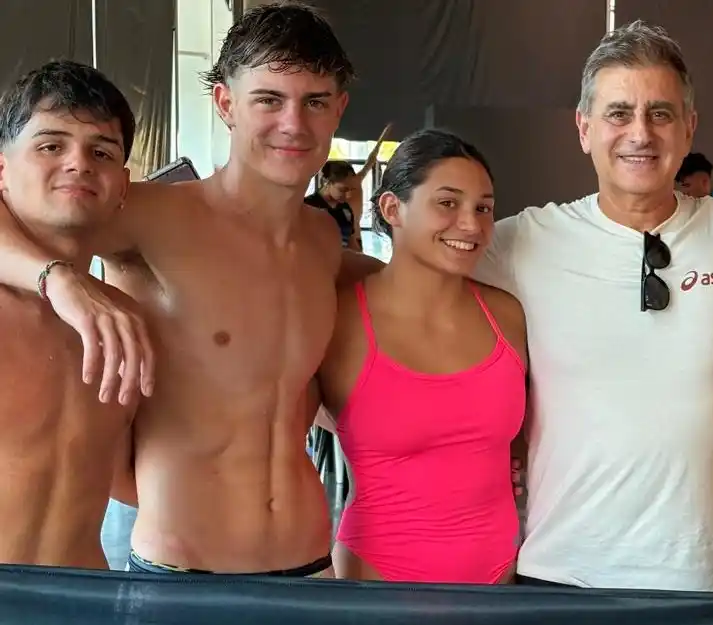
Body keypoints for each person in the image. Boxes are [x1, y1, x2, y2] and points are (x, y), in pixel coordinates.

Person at [0, 2, 372, 577]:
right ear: (225, 103)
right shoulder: (147, 214)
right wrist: (60, 279)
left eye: (315, 102)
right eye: (268, 100)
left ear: (339, 110)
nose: (293, 124)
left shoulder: (323, 241)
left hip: (309, 561)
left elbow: (406, 293)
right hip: (186, 570)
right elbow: (25, 205)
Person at [471, 20, 713, 592]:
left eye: (660, 114)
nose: (641, 133)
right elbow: (409, 297)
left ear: (689, 128)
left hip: (699, 577)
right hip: (561, 570)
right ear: (584, 129)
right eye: (618, 114)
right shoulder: (521, 243)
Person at [317, 129, 527, 584]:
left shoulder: (507, 315)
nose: (471, 225)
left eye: (483, 207)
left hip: (500, 583)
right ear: (392, 209)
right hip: (378, 586)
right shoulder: (341, 321)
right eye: (447, 203)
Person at [0, 60, 139, 569]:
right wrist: (54, 276)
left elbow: (126, 479)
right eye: (50, 145)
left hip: (82, 617)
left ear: (123, 187)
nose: (79, 163)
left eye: (101, 151)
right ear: (2, 171)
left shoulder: (124, 323)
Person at [303, 123, 389, 253]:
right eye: (343, 189)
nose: (348, 195)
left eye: (350, 189)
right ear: (328, 182)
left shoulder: (345, 209)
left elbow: (351, 242)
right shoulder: (307, 206)